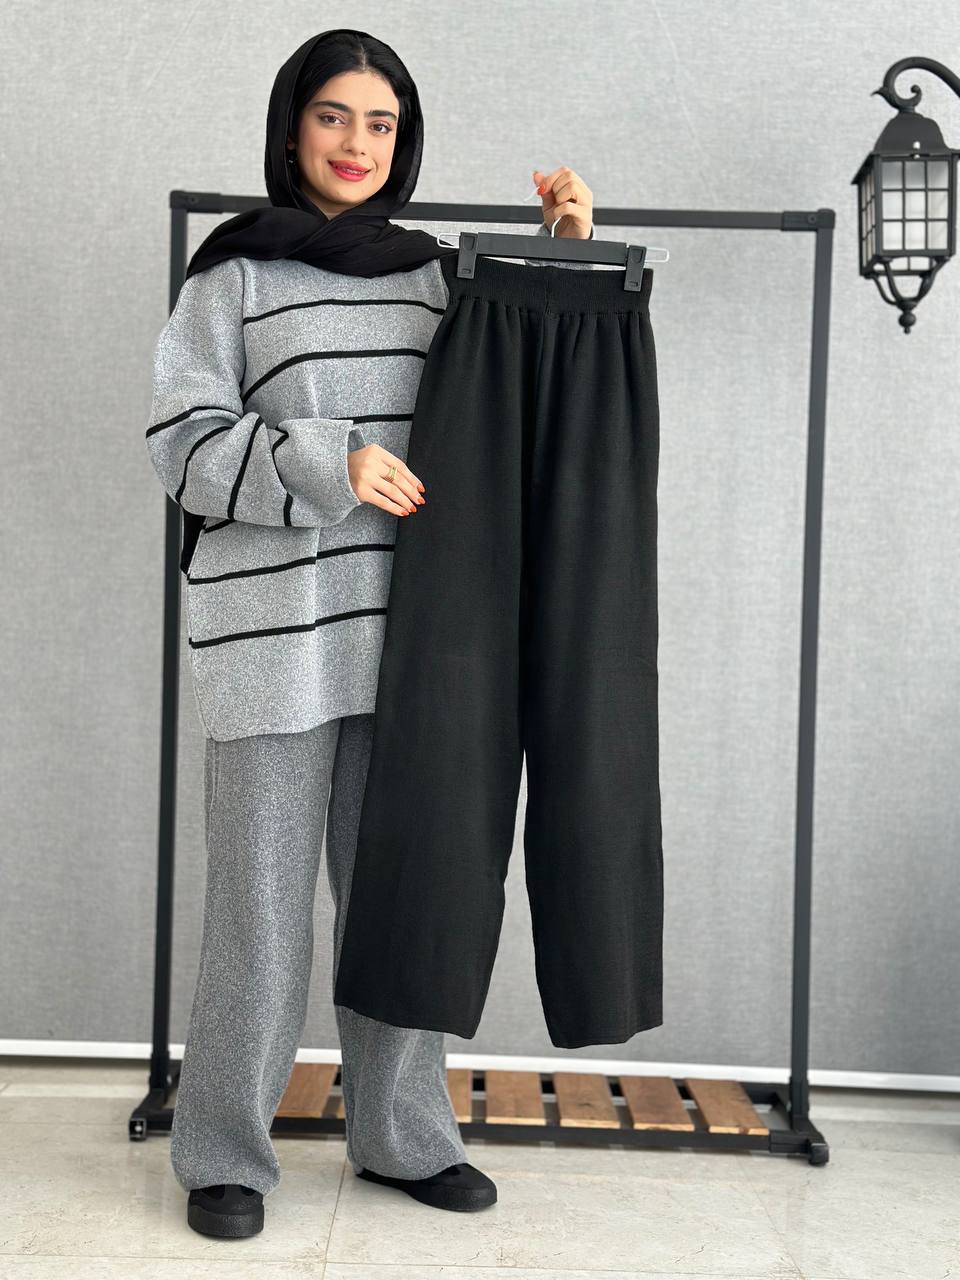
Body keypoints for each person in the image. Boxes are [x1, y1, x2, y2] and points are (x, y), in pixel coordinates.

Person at [144, 27, 595, 1240]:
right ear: (292, 126)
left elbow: (521, 403)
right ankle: (224, 1150)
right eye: (333, 115)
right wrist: (329, 462)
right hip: (272, 640)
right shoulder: (230, 276)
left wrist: (560, 255)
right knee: (260, 912)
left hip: (416, 645)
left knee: (402, 900)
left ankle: (402, 1133)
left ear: (405, 140)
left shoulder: (438, 278)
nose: (356, 142)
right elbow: (181, 444)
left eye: (380, 122)